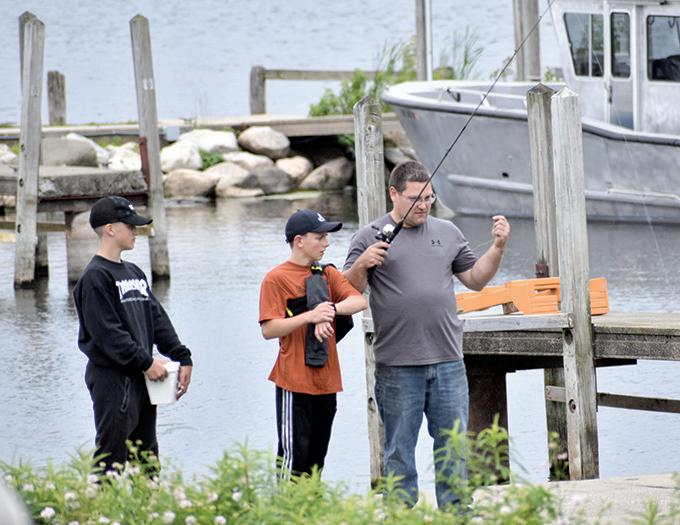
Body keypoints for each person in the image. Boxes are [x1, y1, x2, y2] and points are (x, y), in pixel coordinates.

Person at [343, 161, 510, 508]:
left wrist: (497, 247)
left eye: (429, 198)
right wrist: (362, 264)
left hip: (449, 361)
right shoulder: (368, 237)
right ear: (393, 194)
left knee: (453, 445)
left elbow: (476, 279)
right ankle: (401, 511)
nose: (423, 205)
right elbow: (348, 293)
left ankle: (456, 509)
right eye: (415, 198)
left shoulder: (447, 232)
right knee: (399, 448)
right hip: (397, 365)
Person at [73, 196, 193, 474]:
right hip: (112, 378)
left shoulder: (134, 272)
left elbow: (156, 318)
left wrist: (182, 356)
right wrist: (147, 362)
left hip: (142, 376)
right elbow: (107, 334)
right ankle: (101, 502)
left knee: (147, 456)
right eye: (129, 226)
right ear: (110, 229)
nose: (135, 231)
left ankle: (148, 501)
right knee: (111, 455)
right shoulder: (95, 277)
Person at [259, 209, 368, 478]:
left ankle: (313, 503)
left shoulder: (327, 273)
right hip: (294, 383)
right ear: (299, 241)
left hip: (327, 382)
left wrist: (328, 310)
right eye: (319, 237)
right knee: (292, 460)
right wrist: (310, 316)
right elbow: (269, 329)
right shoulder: (276, 278)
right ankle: (287, 505)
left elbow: (359, 301)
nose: (326, 243)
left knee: (317, 461)